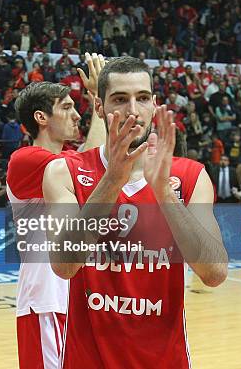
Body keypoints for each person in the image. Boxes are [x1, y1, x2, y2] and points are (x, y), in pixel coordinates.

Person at [43, 56, 228, 368]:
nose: (132, 110)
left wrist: (165, 195)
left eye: (142, 98)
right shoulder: (64, 172)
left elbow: (215, 273)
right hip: (87, 360)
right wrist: (113, 179)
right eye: (119, 99)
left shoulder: (190, 176)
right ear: (99, 107)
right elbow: (64, 266)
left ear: (154, 104)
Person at [7, 53, 107, 369]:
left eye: (76, 107)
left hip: (77, 297)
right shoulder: (26, 159)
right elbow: (92, 166)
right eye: (66, 107)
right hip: (47, 302)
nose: (77, 116)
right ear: (41, 117)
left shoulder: (67, 159)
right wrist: (99, 101)